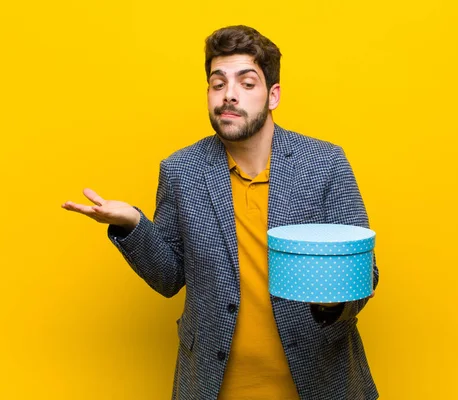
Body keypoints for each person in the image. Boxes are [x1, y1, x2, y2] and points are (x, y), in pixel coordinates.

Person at [62, 25, 379, 400]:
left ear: (273, 95)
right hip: (212, 384)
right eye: (218, 84)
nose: (229, 95)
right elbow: (169, 277)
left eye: (247, 83)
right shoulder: (181, 170)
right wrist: (133, 225)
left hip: (319, 381)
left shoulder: (325, 163)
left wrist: (330, 299)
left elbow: (365, 273)